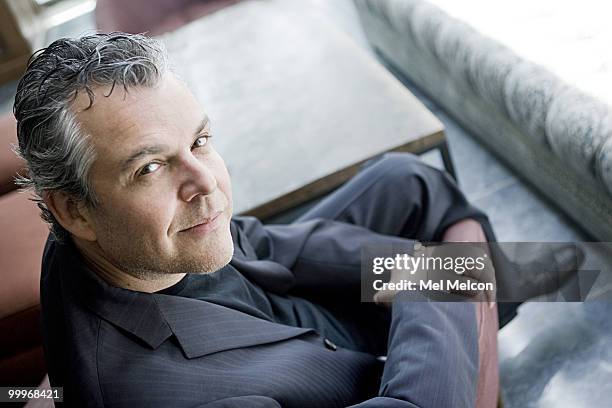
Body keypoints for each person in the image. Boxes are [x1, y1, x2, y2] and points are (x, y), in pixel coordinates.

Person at [13, 33, 574, 407]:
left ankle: (540, 281)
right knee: (461, 271)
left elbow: (259, 242)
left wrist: (400, 269)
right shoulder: (167, 396)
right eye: (151, 167)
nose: (206, 183)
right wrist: (424, 282)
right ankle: (550, 284)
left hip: (285, 309)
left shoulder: (107, 242)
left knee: (407, 180)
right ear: (73, 208)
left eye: (199, 141)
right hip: (352, 375)